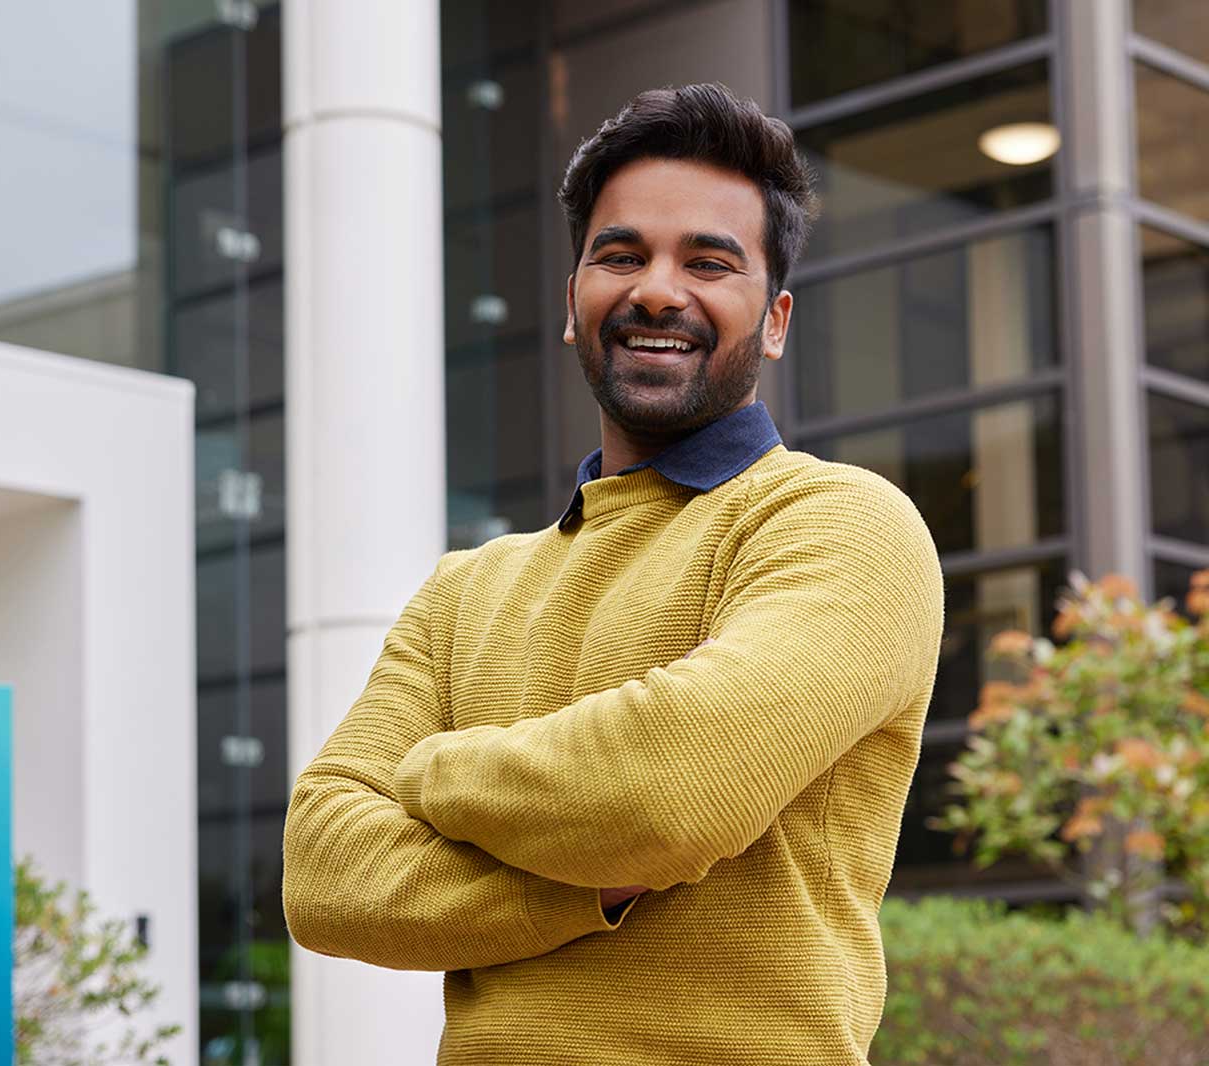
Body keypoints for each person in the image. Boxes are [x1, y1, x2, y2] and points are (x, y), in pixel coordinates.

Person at [281, 82, 945, 1065]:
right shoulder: (466, 588)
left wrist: (431, 772)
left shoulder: (839, 525)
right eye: (621, 255)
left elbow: (668, 792)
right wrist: (591, 885)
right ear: (572, 303)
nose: (657, 290)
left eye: (708, 262)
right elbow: (323, 873)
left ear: (774, 318)